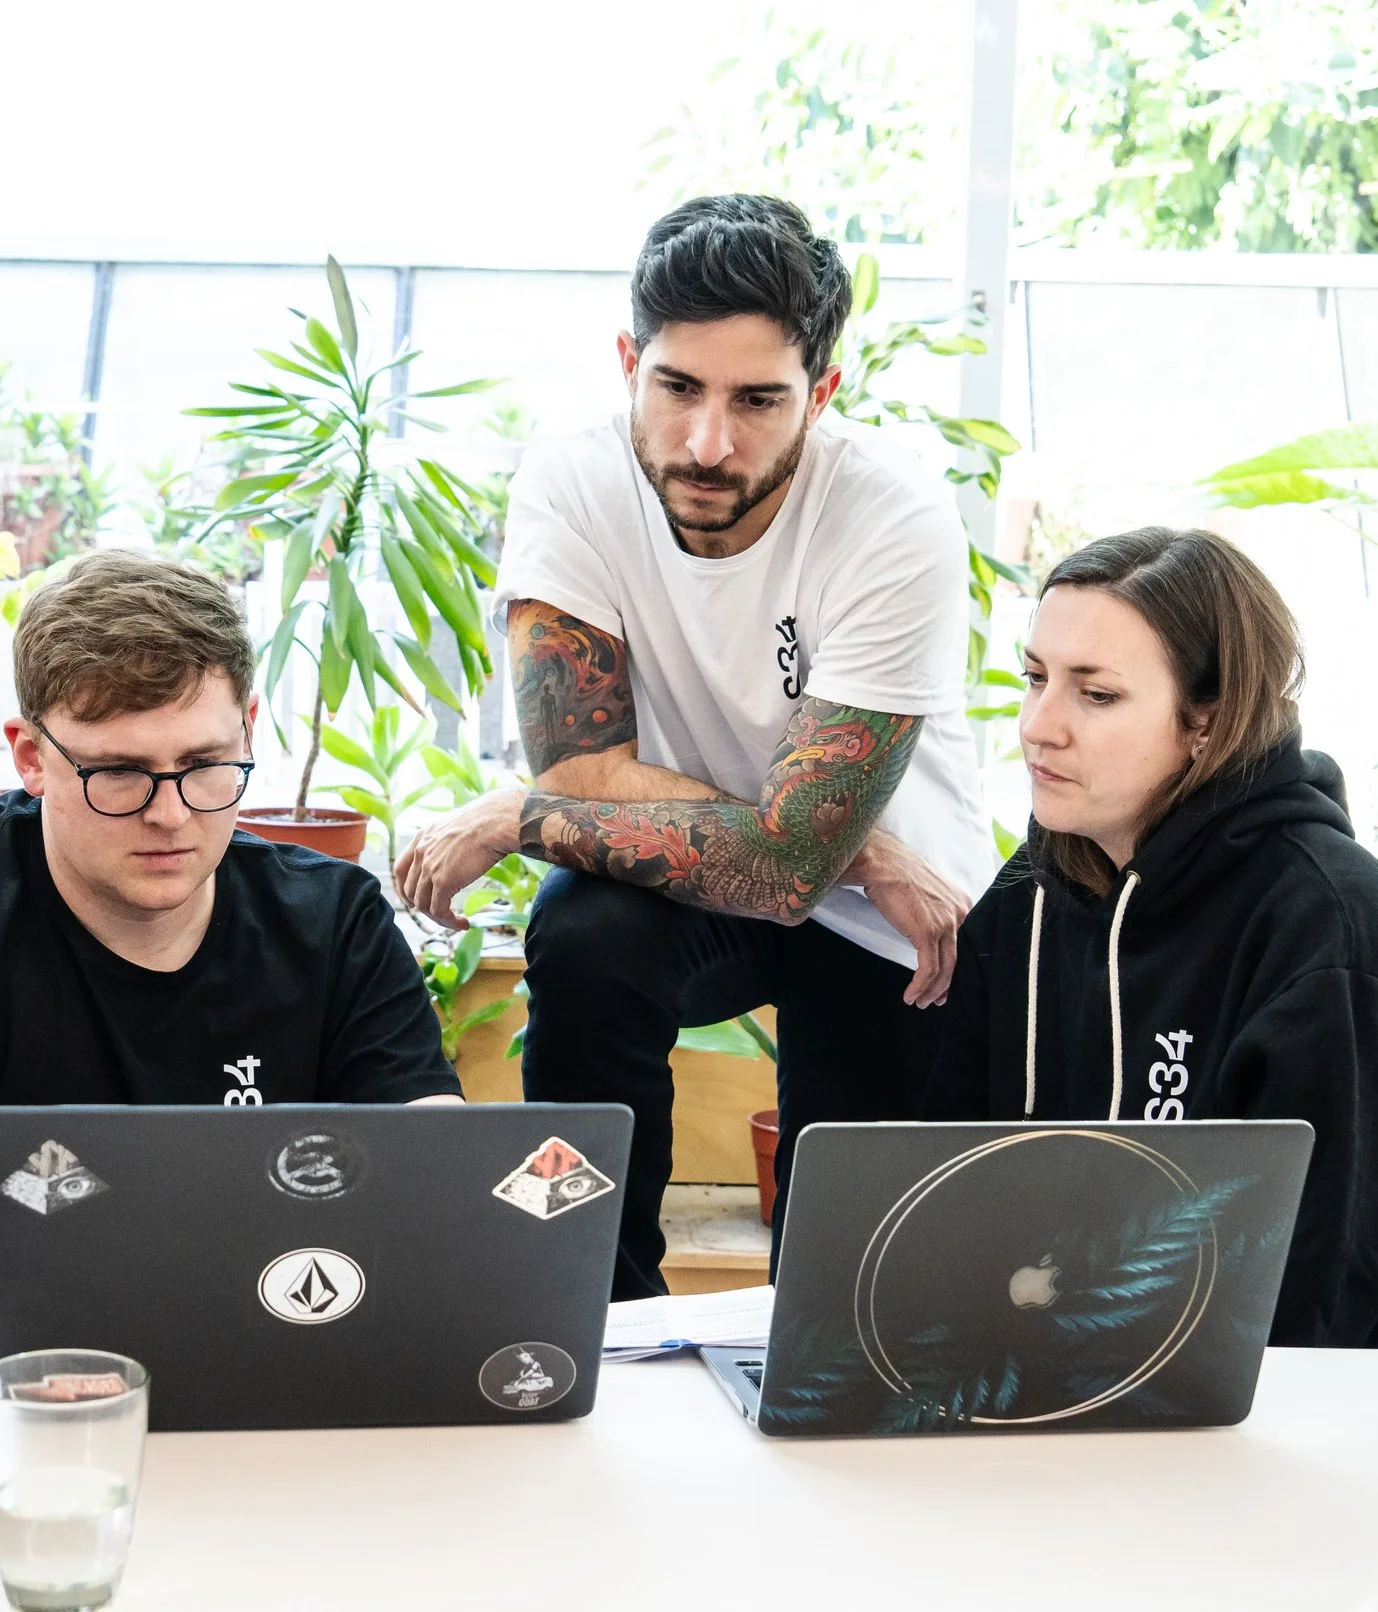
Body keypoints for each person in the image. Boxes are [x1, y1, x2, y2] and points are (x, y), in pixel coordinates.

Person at [395, 194, 991, 1298]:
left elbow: (778, 863)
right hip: (802, 873)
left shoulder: (891, 513)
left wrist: (514, 816)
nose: (707, 443)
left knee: (851, 1285)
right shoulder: (572, 481)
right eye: (676, 388)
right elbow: (583, 770)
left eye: (758, 400)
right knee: (582, 930)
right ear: (629, 361)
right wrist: (842, 840)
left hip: (902, 922)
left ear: (821, 392)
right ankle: (591, 1304)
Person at [0, 550, 462, 1307]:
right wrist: (196, 1270)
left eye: (205, 762)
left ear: (248, 731)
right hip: (20, 1372)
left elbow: (434, 1174)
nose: (171, 813)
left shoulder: (333, 915)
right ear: (31, 757)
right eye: (118, 771)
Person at [923, 526, 1378, 1348]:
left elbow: (1321, 1312)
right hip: (1023, 1381)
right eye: (1036, 678)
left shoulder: (1339, 941)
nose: (1039, 726)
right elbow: (940, 1189)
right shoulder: (1030, 896)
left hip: (1249, 1430)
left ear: (1206, 722)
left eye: (1095, 694)